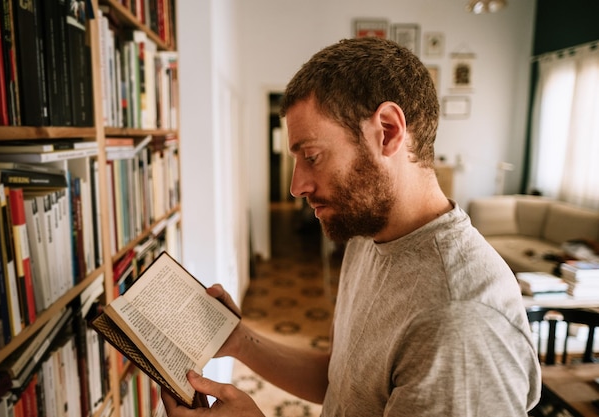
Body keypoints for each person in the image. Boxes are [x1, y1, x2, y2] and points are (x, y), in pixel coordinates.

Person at [162, 37, 541, 416]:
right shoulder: (367, 236)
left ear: (388, 131)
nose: (297, 186)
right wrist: (240, 341)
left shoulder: (460, 323)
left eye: (312, 156)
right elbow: (342, 382)